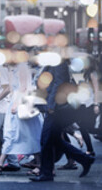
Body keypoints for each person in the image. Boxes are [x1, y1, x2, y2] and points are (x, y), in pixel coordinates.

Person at [30, 52, 96, 182]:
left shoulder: (59, 64)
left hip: (56, 109)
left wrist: (51, 105)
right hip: (53, 107)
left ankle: (47, 173)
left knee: (46, 140)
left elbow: (59, 84)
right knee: (53, 139)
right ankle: (85, 159)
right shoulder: (52, 63)